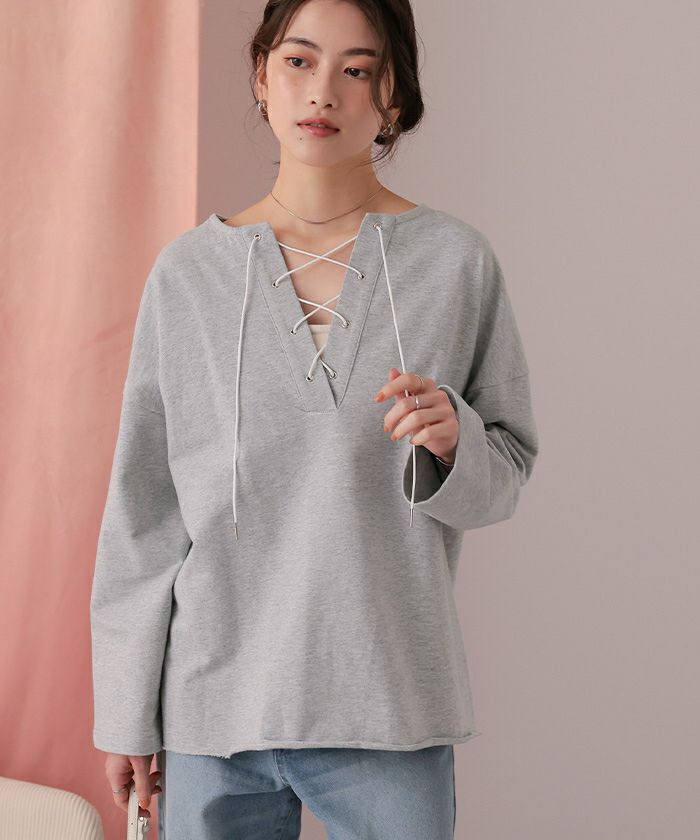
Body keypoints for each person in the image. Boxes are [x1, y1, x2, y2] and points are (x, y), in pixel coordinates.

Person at [89, 0, 539, 837]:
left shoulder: (455, 264)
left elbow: (506, 474)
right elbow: (143, 516)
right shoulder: (188, 276)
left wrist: (455, 443)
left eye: (357, 69)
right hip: (213, 714)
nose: (323, 90)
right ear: (262, 76)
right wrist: (125, 710)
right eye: (298, 60)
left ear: (393, 95)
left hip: (390, 705)